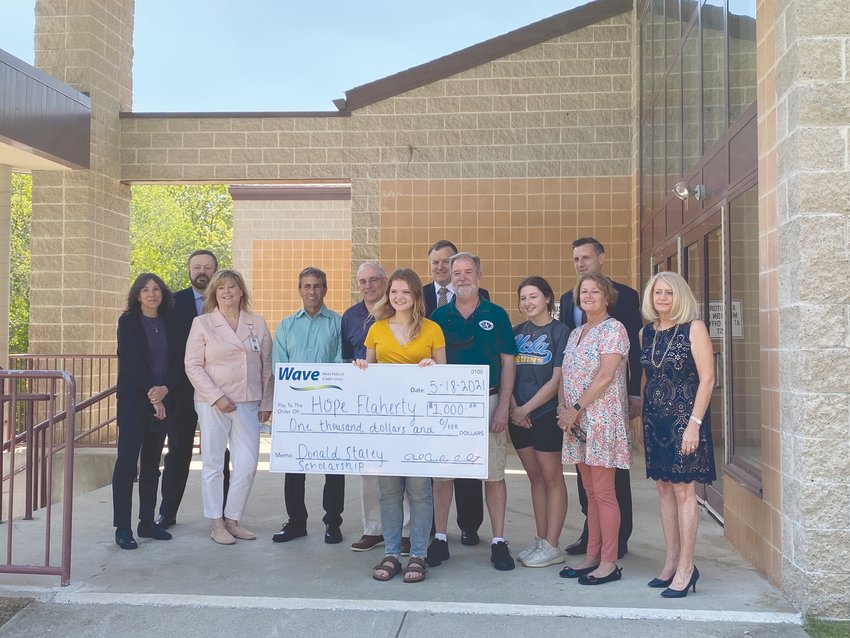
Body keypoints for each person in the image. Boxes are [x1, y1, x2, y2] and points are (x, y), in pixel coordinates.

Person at [353, 268, 446, 583]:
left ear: (416, 295)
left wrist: (433, 367)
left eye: (405, 291)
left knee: (420, 491)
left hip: (420, 424)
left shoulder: (433, 330)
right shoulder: (376, 329)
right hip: (386, 425)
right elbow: (369, 374)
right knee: (389, 490)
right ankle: (391, 553)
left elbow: (446, 376)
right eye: (394, 291)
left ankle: (418, 554)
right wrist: (362, 367)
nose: (399, 297)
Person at [428, 252, 517, 571]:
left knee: (493, 474)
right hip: (448, 406)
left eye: (468, 272)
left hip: (489, 401)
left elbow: (508, 362)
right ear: (449, 278)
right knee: (443, 474)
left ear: (479, 276)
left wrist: (503, 407)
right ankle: (439, 537)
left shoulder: (496, 313)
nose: (462, 277)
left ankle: (498, 541)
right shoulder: (439, 316)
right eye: (456, 272)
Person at [559, 237, 640, 559]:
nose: (580, 263)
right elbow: (566, 368)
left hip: (604, 414)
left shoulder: (618, 318)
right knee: (590, 491)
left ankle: (614, 549)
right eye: (575, 258)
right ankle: (592, 546)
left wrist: (636, 393)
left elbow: (610, 372)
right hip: (577, 420)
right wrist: (566, 410)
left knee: (608, 489)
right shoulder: (573, 316)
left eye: (585, 257)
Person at [640, 272, 715, 598]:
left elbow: (708, 379)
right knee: (663, 489)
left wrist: (695, 424)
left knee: (685, 492)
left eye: (669, 293)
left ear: (680, 295)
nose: (663, 298)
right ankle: (671, 562)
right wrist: (639, 423)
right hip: (655, 423)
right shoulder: (646, 332)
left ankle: (687, 568)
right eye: (658, 293)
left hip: (686, 423)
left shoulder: (693, 328)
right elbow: (646, 380)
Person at [184, 269, 273, 545]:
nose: (226, 292)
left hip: (248, 402)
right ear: (214, 293)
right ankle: (216, 523)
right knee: (212, 463)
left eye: (231, 287)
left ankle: (233, 518)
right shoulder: (202, 323)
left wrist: (267, 401)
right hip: (214, 403)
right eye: (220, 288)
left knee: (247, 464)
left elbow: (266, 365)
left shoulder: (256, 323)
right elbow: (193, 365)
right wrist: (215, 396)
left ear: (241, 291)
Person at [342, 263, 414, 555]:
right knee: (370, 468)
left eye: (374, 280)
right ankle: (373, 529)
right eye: (362, 281)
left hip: (407, 403)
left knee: (407, 467)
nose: (368, 285)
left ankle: (407, 530)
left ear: (385, 283)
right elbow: (347, 359)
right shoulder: (350, 317)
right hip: (370, 403)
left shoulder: (406, 316)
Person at [423, 239, 490, 547]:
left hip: (468, 394)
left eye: (445, 262)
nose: (440, 267)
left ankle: (469, 525)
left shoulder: (480, 297)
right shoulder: (420, 296)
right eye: (435, 262)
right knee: (434, 466)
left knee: (467, 465)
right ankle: (433, 528)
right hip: (431, 392)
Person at [272, 267, 345, 544]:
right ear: (299, 289)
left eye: (317, 286)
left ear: (325, 289)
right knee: (294, 465)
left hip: (330, 405)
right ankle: (296, 522)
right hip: (297, 408)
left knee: (334, 466)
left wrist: (319, 388)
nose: (312, 291)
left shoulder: (338, 323)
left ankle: (332, 522)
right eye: (306, 286)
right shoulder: (287, 325)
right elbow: (280, 365)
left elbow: (341, 363)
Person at [157, 249, 225, 529]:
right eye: (196, 266)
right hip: (182, 391)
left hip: (219, 391)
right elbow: (166, 349)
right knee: (178, 451)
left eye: (207, 267)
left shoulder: (227, 299)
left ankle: (224, 515)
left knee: (221, 453)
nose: (202, 271)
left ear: (215, 271)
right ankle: (167, 512)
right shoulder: (172, 302)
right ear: (189, 271)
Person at [113, 273, 176, 549]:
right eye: (145, 290)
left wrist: (165, 390)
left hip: (163, 401)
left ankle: (147, 522)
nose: (152, 294)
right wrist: (154, 394)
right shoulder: (128, 322)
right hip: (135, 404)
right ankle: (123, 528)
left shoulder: (171, 322)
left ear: (162, 294)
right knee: (127, 466)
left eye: (156, 289)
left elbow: (179, 361)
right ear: (137, 295)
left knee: (152, 466)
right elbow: (133, 363)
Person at [509, 277, 569, 568]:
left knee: (551, 477)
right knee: (534, 478)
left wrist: (527, 409)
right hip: (518, 415)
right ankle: (540, 538)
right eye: (523, 298)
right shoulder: (515, 331)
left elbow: (557, 378)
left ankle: (553, 544)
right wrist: (513, 408)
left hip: (544, 414)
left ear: (547, 298)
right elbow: (506, 372)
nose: (528, 303)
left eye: (533, 296)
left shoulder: (560, 332)